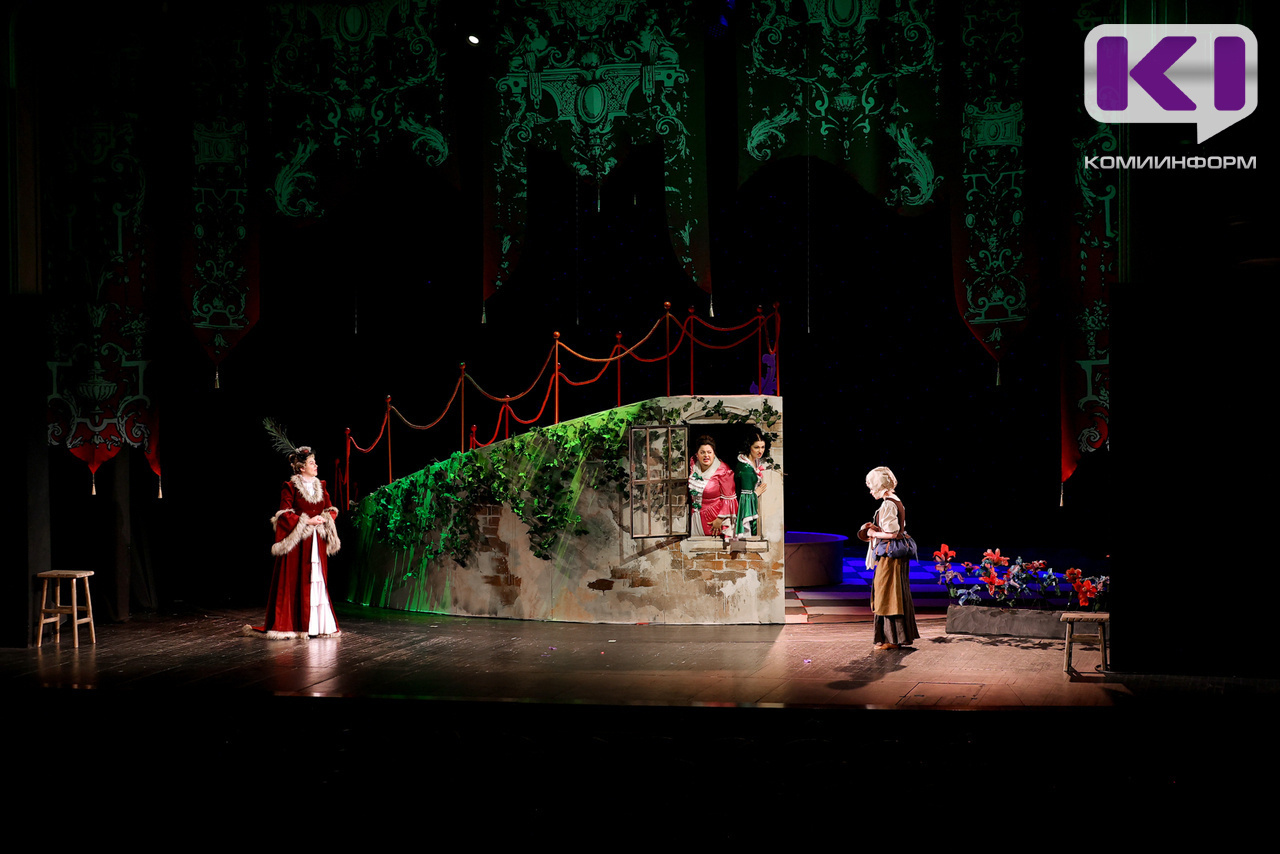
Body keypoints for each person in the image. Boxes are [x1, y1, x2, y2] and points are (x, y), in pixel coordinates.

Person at [247, 445, 342, 639]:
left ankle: (319, 625)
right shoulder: (290, 487)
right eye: (312, 463)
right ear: (301, 468)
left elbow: (330, 509)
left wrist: (325, 518)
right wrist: (307, 521)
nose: (316, 466)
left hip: (317, 540)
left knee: (317, 578)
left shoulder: (321, 485)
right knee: (297, 581)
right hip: (299, 541)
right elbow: (283, 514)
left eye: (315, 462)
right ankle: (298, 625)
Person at [858, 466, 919, 649]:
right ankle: (895, 638)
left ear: (880, 485)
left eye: (871, 486)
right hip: (895, 553)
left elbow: (893, 533)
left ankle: (892, 640)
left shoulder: (888, 504)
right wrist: (876, 528)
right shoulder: (895, 500)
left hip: (891, 555)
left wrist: (873, 533)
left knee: (887, 593)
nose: (870, 491)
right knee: (894, 592)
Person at [688, 435, 738, 537]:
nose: (706, 455)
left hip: (714, 520)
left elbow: (730, 499)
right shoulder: (693, 465)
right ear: (697, 454)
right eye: (702, 452)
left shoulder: (723, 471)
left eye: (709, 452)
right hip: (695, 516)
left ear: (714, 453)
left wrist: (719, 520)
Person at [734, 432, 770, 538]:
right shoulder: (745, 468)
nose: (760, 451)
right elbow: (744, 498)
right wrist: (756, 493)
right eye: (756, 447)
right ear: (749, 447)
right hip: (744, 510)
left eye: (762, 447)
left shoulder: (755, 461)